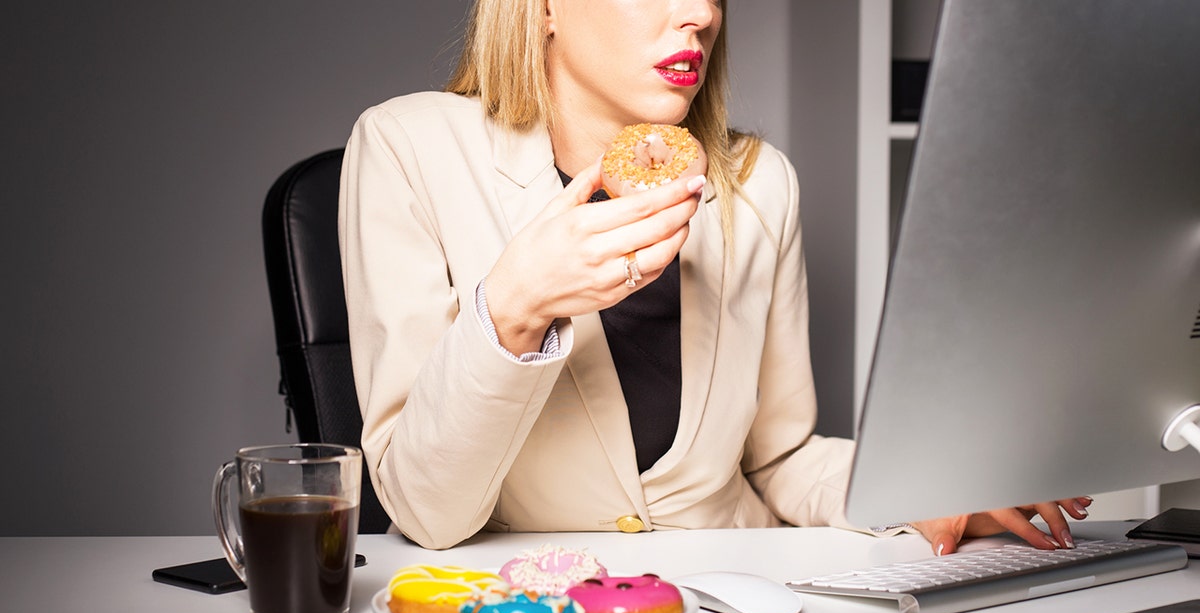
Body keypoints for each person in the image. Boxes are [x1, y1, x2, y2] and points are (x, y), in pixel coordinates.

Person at [338, 0, 1090, 551]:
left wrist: (933, 483)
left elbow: (785, 458)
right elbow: (426, 509)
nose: (699, 15)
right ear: (542, 9)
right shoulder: (407, 149)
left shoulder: (761, 185)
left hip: (742, 610)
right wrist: (515, 306)